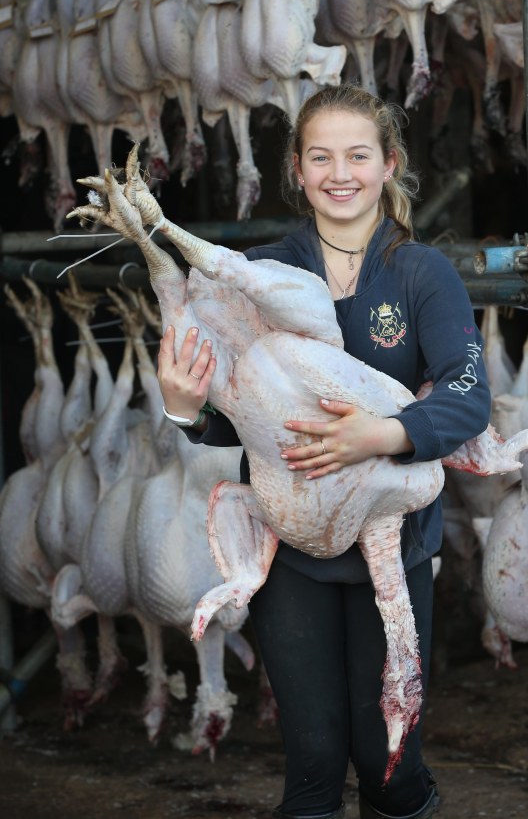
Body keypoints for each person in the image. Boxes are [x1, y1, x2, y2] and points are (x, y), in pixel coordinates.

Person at [156, 84, 491, 819]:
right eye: (321, 157)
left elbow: (468, 397)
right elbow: (232, 415)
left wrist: (380, 434)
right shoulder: (261, 271)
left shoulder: (419, 272)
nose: (341, 173)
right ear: (298, 172)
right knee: (312, 760)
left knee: (387, 763)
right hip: (292, 552)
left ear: (388, 163)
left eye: (358, 155)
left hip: (390, 547)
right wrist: (184, 408)